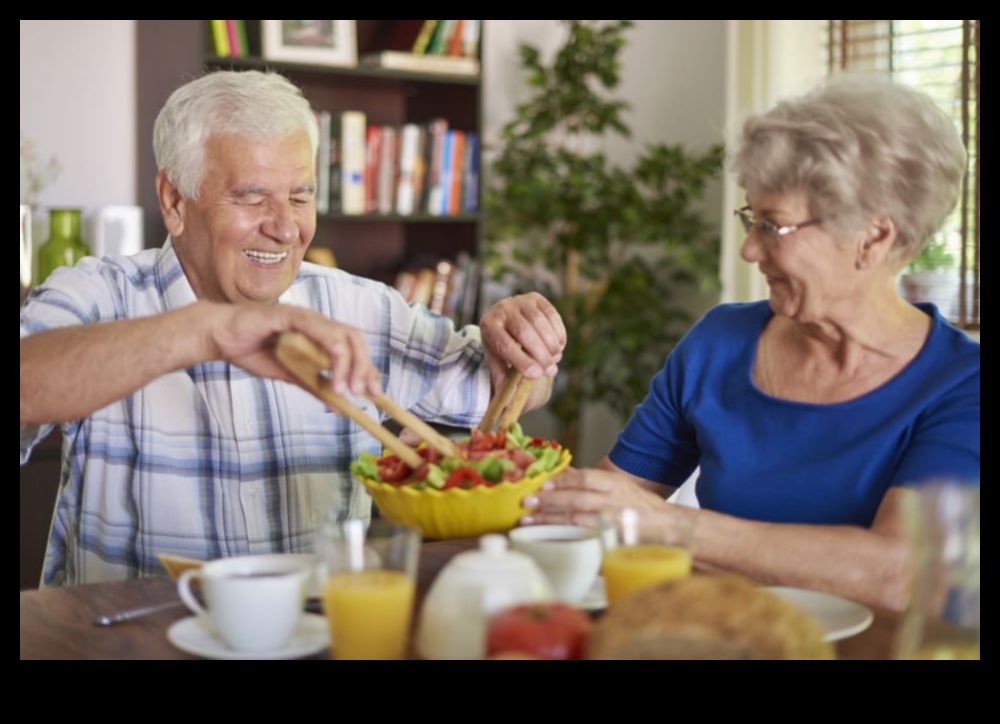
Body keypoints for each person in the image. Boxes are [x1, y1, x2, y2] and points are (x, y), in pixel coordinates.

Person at [20, 70, 566, 587]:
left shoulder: (358, 307)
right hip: (137, 641)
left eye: (301, 195)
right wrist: (205, 331)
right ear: (173, 201)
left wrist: (521, 345)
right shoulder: (98, 293)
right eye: (251, 196)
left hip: (318, 633)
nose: (285, 227)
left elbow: (514, 390)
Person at [520, 74, 980, 612]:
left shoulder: (961, 383)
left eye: (771, 226)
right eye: (750, 218)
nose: (748, 251)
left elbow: (900, 574)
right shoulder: (719, 342)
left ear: (873, 238)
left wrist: (673, 527)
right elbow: (604, 509)